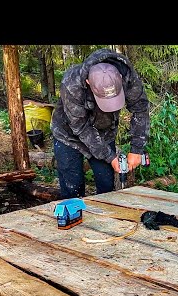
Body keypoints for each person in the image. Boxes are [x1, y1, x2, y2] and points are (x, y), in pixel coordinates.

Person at [51, 48, 150, 199]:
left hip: (103, 133)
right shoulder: (72, 84)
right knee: (73, 188)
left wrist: (136, 149)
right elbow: (81, 127)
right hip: (68, 135)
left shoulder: (128, 77)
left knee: (106, 184)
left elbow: (141, 109)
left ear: (120, 77)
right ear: (88, 82)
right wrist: (109, 156)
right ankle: (76, 218)